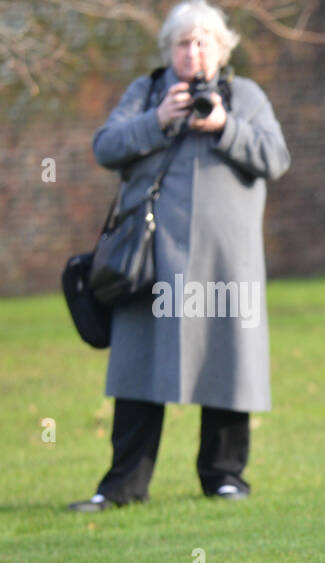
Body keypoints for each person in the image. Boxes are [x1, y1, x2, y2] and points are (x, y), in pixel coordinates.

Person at [69, 0, 289, 512]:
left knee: (226, 362)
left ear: (221, 49)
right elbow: (104, 146)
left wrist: (224, 127)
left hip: (225, 264)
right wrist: (156, 120)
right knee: (139, 370)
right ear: (169, 50)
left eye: (203, 42)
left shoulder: (246, 97)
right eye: (183, 43)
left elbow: (276, 157)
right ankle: (122, 485)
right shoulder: (145, 93)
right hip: (150, 264)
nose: (193, 52)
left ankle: (224, 476)